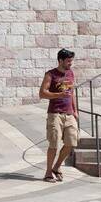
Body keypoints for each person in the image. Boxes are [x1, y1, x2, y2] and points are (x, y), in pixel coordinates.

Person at [39, 48, 78, 183]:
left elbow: (72, 93)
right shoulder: (50, 74)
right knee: (54, 144)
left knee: (71, 142)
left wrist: (75, 110)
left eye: (71, 61)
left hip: (69, 113)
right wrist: (58, 95)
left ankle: (57, 166)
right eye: (68, 61)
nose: (70, 63)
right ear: (60, 60)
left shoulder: (71, 73)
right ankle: (48, 172)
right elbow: (42, 93)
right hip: (55, 113)